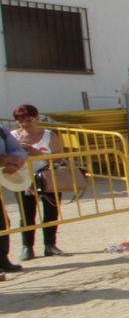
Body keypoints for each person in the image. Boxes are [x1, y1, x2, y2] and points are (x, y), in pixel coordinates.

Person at [11, 105, 67, 259]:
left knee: (51, 211)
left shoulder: (49, 135)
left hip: (48, 177)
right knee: (27, 214)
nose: (24, 123)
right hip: (23, 179)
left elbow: (59, 157)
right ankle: (27, 247)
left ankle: (50, 245)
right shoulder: (13, 136)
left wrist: (36, 153)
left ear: (36, 118)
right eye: (20, 120)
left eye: (28, 119)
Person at [0, 122, 26, 274]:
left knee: (2, 222)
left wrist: (16, 163)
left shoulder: (2, 131)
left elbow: (19, 151)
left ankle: (3, 260)